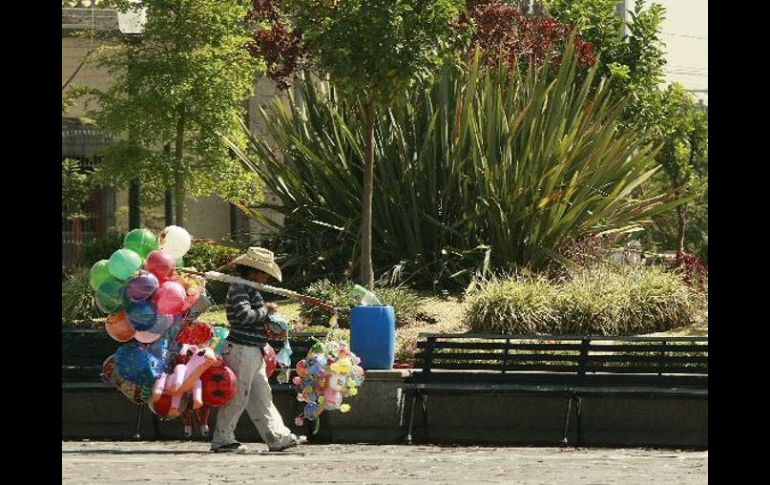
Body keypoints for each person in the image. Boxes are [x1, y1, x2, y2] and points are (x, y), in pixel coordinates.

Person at [210, 247, 306, 453]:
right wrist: (266, 310)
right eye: (263, 273)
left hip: (255, 350)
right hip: (241, 349)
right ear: (253, 271)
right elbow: (244, 316)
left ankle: (277, 437)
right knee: (238, 396)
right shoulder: (238, 289)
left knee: (262, 396)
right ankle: (223, 439)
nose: (265, 278)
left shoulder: (251, 290)